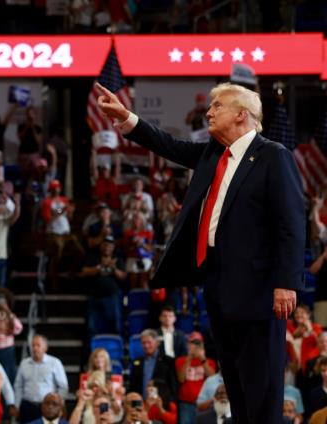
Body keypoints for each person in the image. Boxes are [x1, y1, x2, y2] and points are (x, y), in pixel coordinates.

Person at [96, 81, 305, 423]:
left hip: (259, 294)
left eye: (217, 106)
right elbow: (171, 146)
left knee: (262, 396)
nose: (208, 112)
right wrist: (128, 118)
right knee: (237, 393)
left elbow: (291, 225)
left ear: (241, 115)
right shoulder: (214, 154)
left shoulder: (273, 156)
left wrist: (287, 282)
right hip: (219, 290)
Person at [15, 334, 69, 423]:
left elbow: (63, 387)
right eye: (33, 345)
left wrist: (60, 405)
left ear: (45, 348)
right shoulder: (24, 363)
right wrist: (16, 405)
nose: (35, 348)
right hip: (27, 406)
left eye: (38, 345)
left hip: (48, 407)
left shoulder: (55, 363)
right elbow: (18, 386)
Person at [81, 235, 126, 337]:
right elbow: (84, 271)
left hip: (112, 296)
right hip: (94, 295)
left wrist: (113, 268)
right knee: (91, 325)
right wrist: (99, 268)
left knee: (116, 324)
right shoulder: (93, 257)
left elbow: (123, 276)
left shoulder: (117, 260)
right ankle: (92, 348)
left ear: (113, 247)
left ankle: (117, 346)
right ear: (101, 246)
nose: (107, 247)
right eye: (105, 245)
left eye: (110, 245)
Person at [175, 332, 216, 424]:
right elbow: (181, 379)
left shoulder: (209, 361)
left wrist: (202, 359)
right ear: (187, 345)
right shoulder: (180, 360)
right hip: (186, 403)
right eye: (192, 343)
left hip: (204, 403)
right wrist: (189, 359)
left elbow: (213, 378)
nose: (195, 346)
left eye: (198, 343)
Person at [128, 329, 177, 400]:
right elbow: (132, 386)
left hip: (162, 405)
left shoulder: (168, 361)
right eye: (143, 343)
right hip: (141, 405)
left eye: (149, 342)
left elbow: (173, 386)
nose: (146, 346)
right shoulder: (137, 362)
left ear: (157, 343)